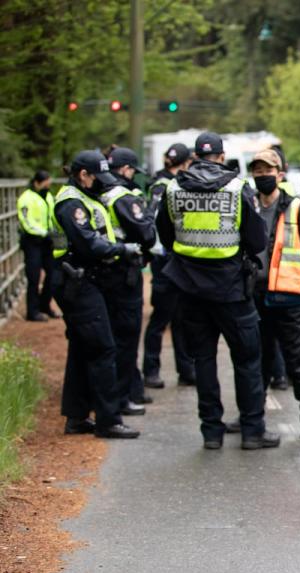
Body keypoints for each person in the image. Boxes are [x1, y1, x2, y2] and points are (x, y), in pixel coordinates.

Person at [156, 131, 278, 451]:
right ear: (222, 157)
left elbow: (166, 235)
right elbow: (256, 241)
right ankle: (252, 431)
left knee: (203, 360)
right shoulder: (238, 189)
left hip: (189, 288)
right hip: (231, 288)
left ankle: (211, 431)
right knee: (248, 359)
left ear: (195, 156)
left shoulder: (173, 188)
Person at [51, 150, 141, 439]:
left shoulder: (85, 197)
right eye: (96, 178)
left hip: (83, 280)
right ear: (82, 175)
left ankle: (77, 417)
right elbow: (89, 243)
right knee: (103, 348)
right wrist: (121, 250)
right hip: (77, 282)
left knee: (81, 348)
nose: (102, 183)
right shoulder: (71, 203)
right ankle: (108, 420)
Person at [246, 148, 300, 439]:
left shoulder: (295, 208)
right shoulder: (248, 205)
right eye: (257, 171)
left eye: (267, 171)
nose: (262, 176)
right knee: (258, 361)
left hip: (291, 296)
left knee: (299, 361)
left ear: (279, 175)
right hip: (256, 295)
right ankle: (252, 417)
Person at [101, 147, 157, 415]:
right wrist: (147, 215)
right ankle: (122, 399)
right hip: (124, 273)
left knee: (110, 337)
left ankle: (121, 392)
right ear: (125, 169)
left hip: (106, 272)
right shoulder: (122, 196)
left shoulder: (97, 192)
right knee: (125, 338)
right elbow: (146, 233)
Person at [141, 143, 196, 389]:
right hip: (166, 261)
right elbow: (153, 223)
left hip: (175, 260)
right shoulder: (164, 186)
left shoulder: (169, 184)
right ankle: (151, 370)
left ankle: (186, 370)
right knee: (161, 318)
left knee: (181, 318)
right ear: (185, 163)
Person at [17, 170, 59, 321]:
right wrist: (44, 233)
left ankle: (44, 305)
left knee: (53, 274)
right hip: (32, 242)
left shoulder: (48, 196)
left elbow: (52, 216)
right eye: (46, 182)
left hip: (47, 242)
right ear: (37, 182)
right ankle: (32, 311)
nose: (48, 185)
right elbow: (27, 222)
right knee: (33, 277)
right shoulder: (26, 198)